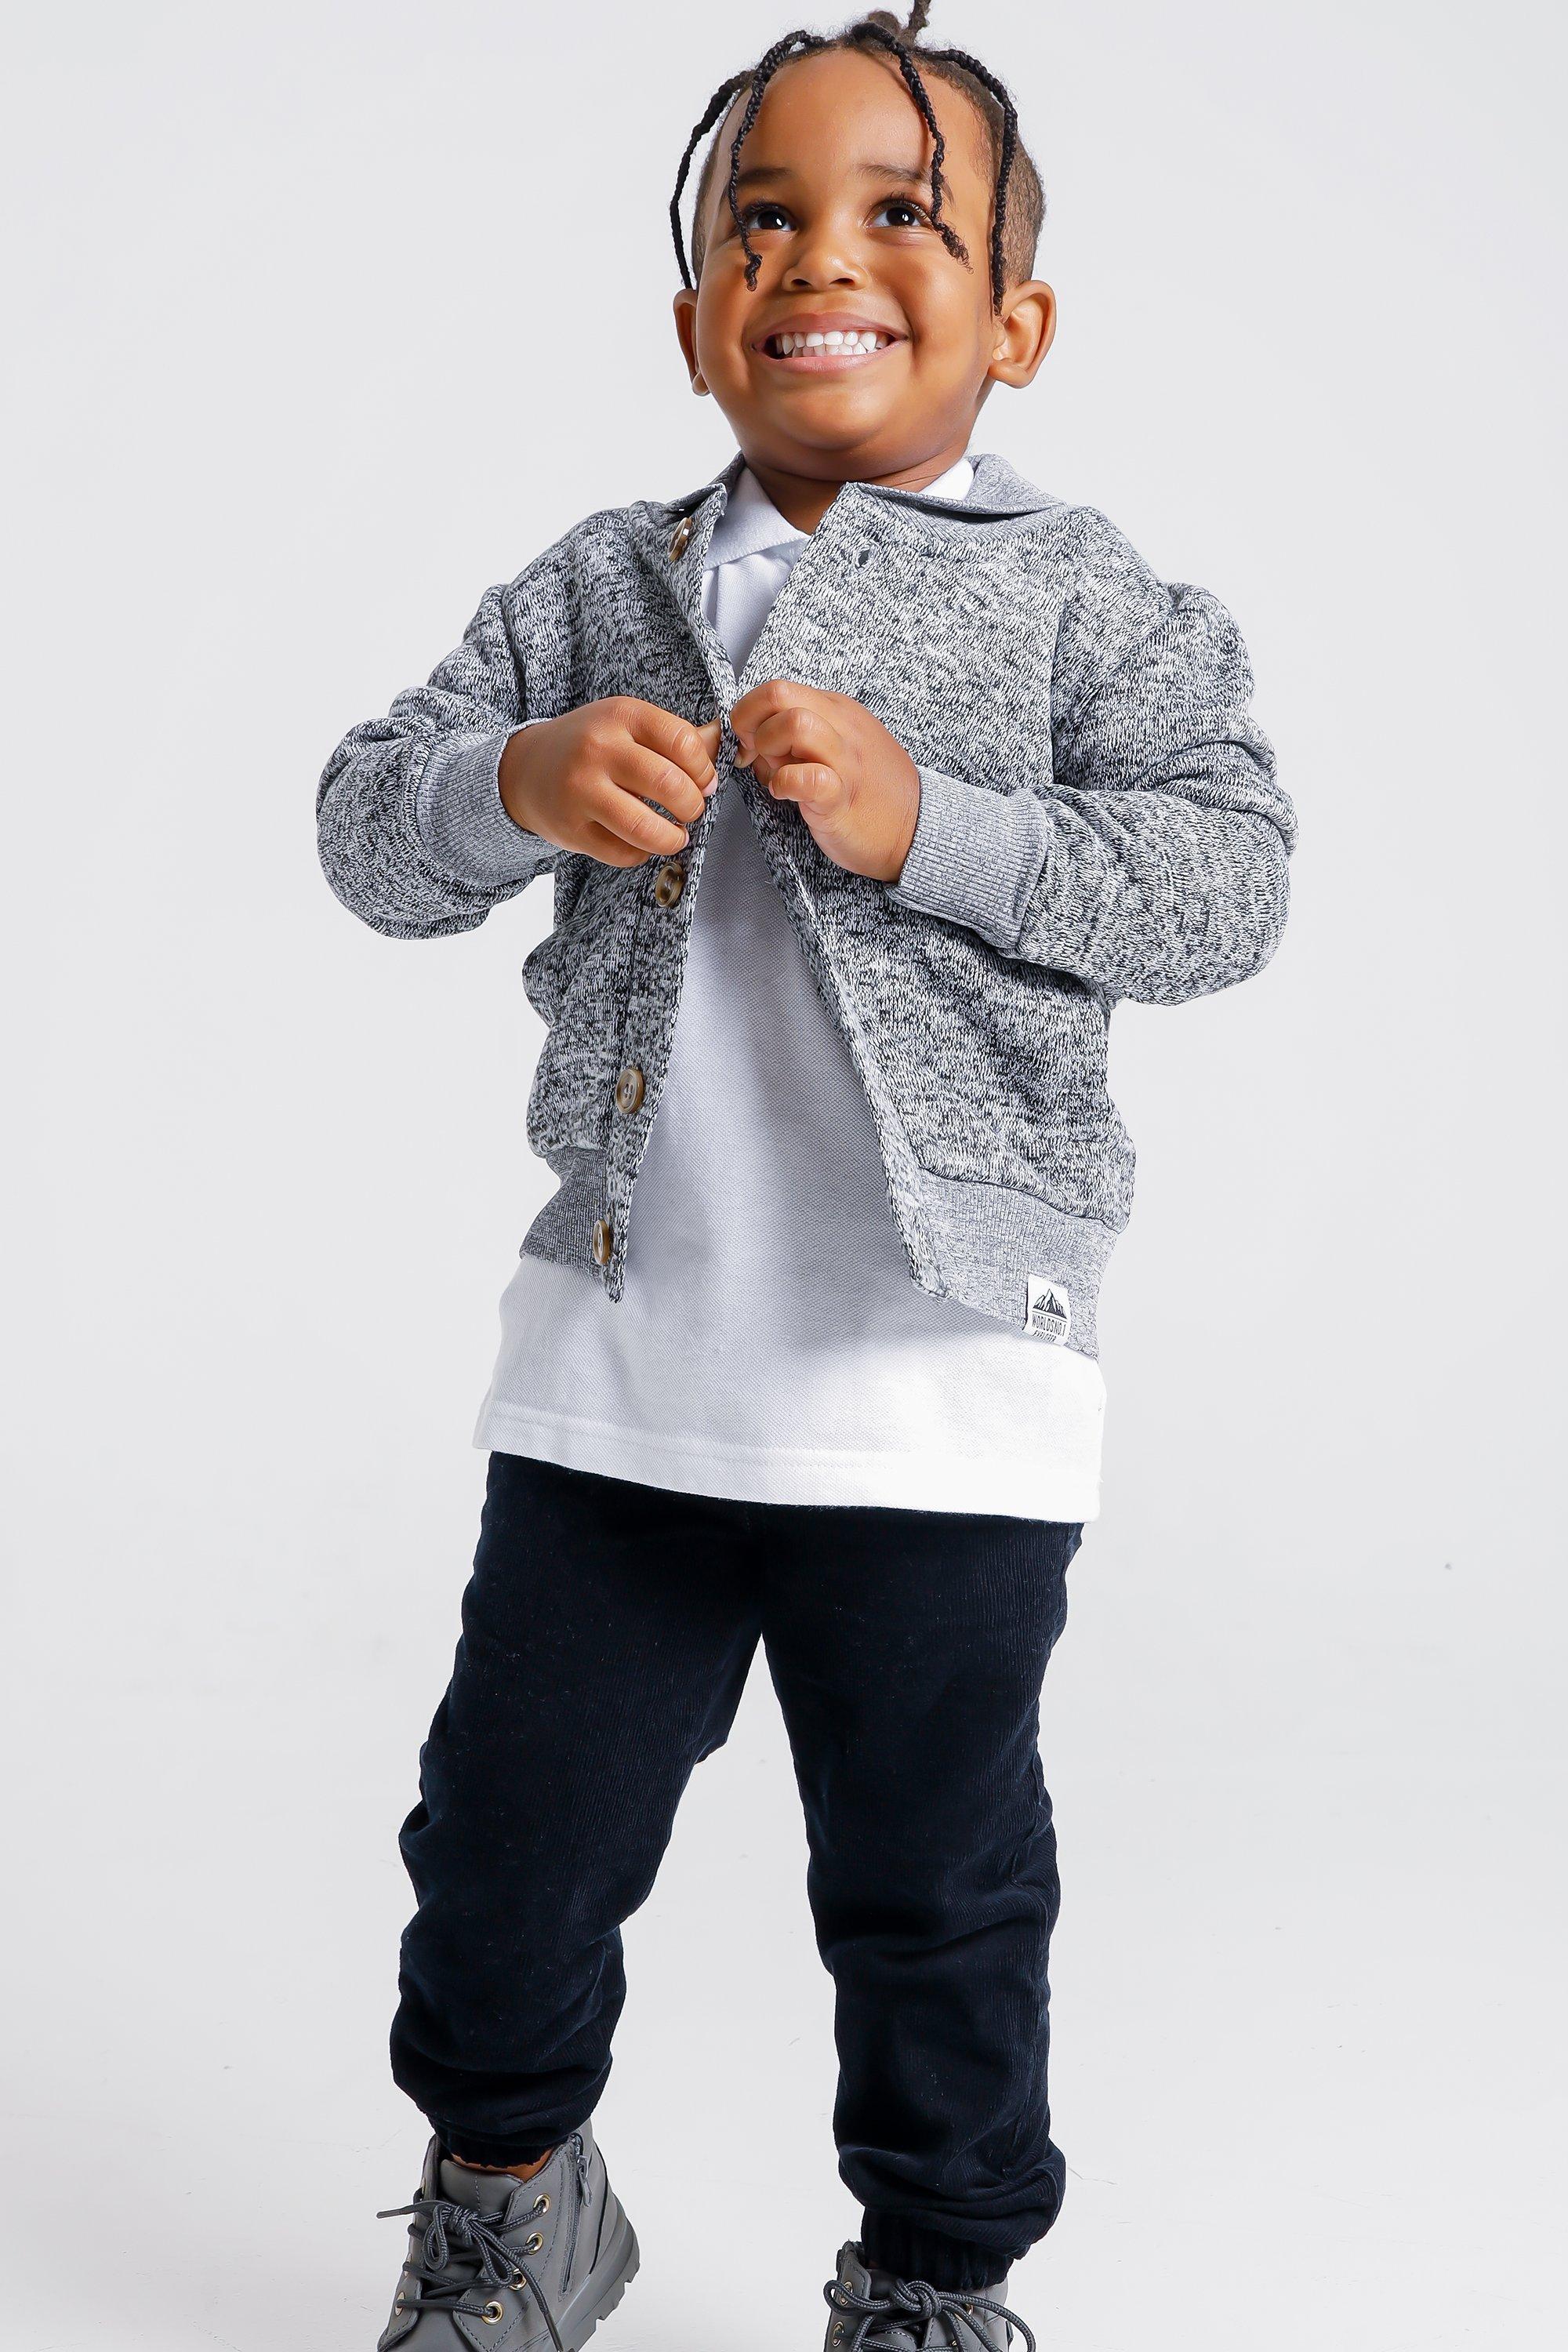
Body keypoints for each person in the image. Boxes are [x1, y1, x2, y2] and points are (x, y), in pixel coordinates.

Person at [315, 7, 1296, 2345]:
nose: (821, 257)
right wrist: (514, 785)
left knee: (935, 1890)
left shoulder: (1084, 601)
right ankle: (509, 2194)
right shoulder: (602, 585)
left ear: (1015, 325)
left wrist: (932, 826)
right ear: (695, 318)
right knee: (505, 1845)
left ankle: (935, 2275)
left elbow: (1229, 882)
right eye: (765, 215)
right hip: (622, 1373)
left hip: (943, 1394)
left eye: (899, 215)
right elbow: (365, 825)